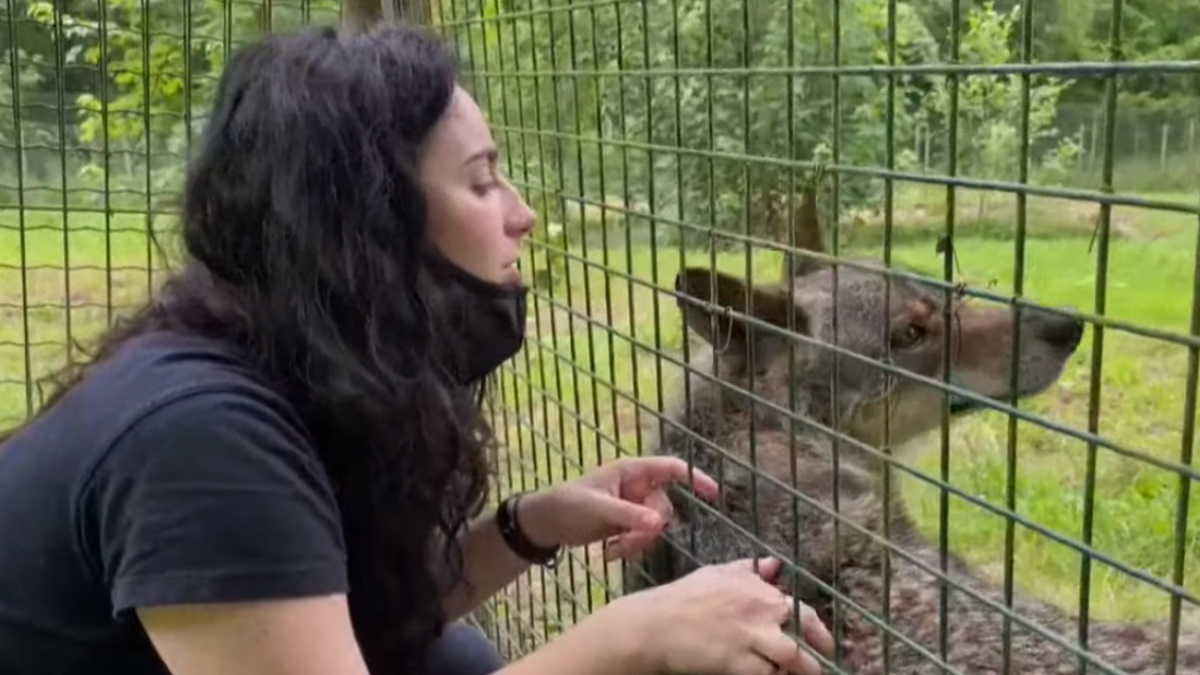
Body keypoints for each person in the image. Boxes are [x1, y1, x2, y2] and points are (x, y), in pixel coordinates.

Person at [0, 22, 834, 675]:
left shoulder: (284, 367)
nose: (522, 214)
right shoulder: (200, 439)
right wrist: (636, 633)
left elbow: (348, 610)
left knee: (449, 655)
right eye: (480, 181)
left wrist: (525, 526)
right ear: (369, 225)